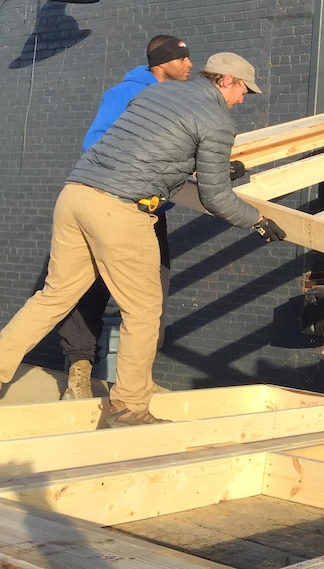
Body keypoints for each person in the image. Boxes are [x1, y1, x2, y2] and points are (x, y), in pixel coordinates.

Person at [0, 53, 285, 427]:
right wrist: (257, 221)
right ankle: (130, 407)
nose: (243, 99)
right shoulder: (217, 120)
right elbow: (216, 198)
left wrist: (205, 163)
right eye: (244, 91)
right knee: (144, 310)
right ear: (226, 81)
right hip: (119, 212)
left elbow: (147, 149)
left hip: (75, 194)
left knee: (54, 296)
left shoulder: (155, 95)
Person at [58, 35, 194, 401]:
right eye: (181, 59)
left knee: (153, 297)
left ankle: (135, 384)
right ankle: (79, 374)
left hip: (152, 212)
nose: (189, 65)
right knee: (92, 290)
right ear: (160, 62)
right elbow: (96, 142)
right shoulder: (125, 94)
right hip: (114, 207)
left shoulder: (179, 100)